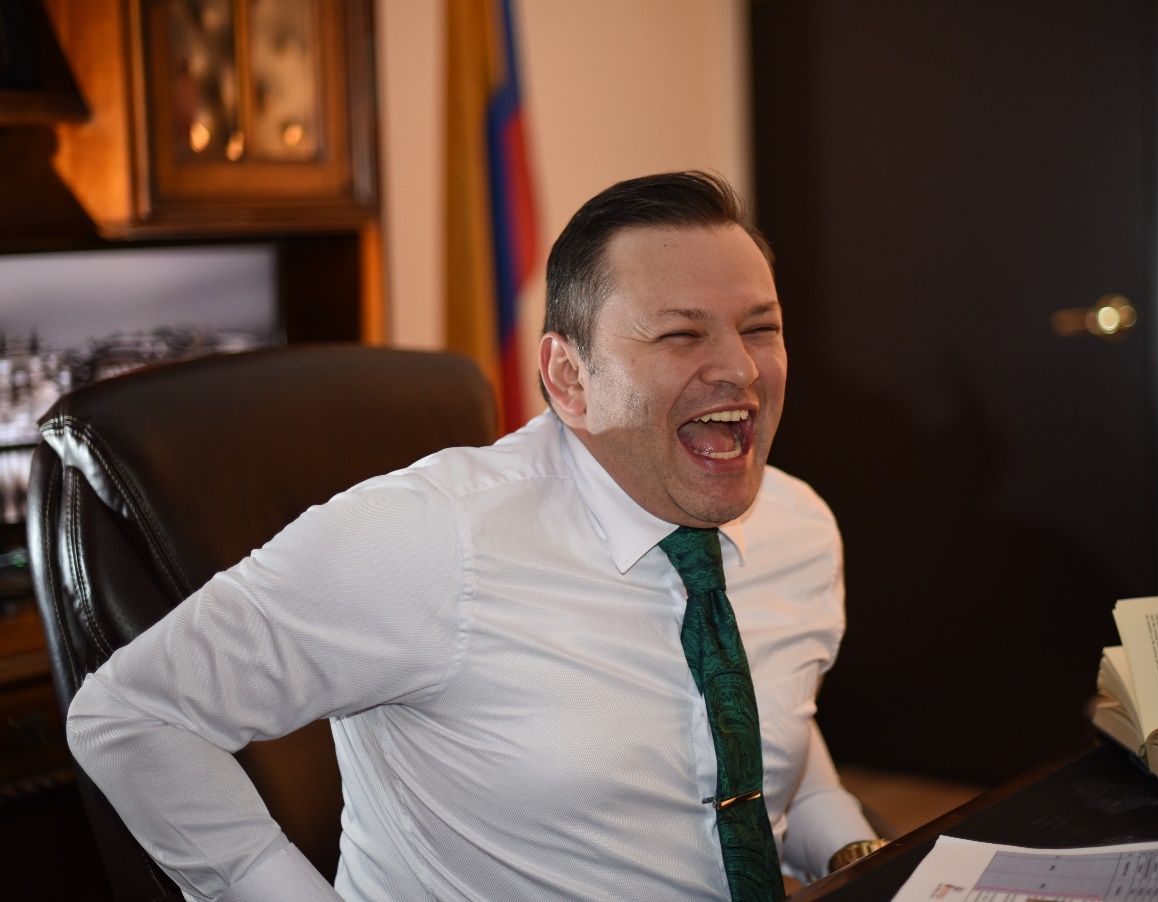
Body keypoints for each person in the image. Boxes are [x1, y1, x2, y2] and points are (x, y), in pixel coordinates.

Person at [66, 171, 881, 901]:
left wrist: (850, 842)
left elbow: (768, 728)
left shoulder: (798, 527)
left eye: (760, 327)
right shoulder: (430, 538)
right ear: (569, 377)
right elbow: (131, 714)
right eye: (680, 334)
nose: (739, 368)